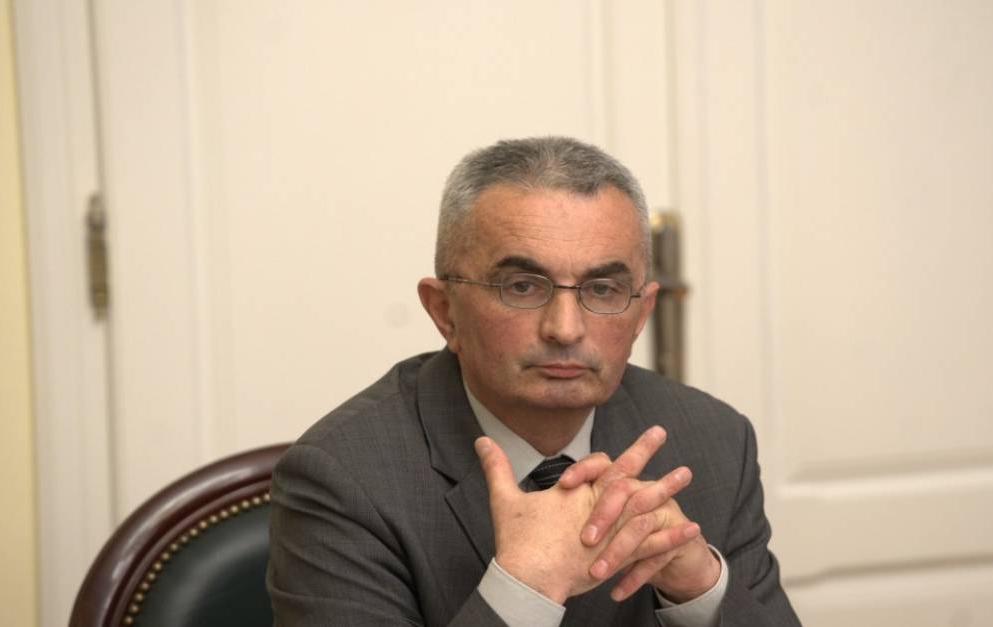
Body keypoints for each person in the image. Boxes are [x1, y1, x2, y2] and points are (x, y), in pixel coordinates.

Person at [267, 137, 801, 626]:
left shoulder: (714, 440)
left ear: (641, 314)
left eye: (603, 289)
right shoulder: (344, 477)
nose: (565, 329)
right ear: (445, 311)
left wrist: (700, 592)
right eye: (522, 286)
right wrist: (525, 587)